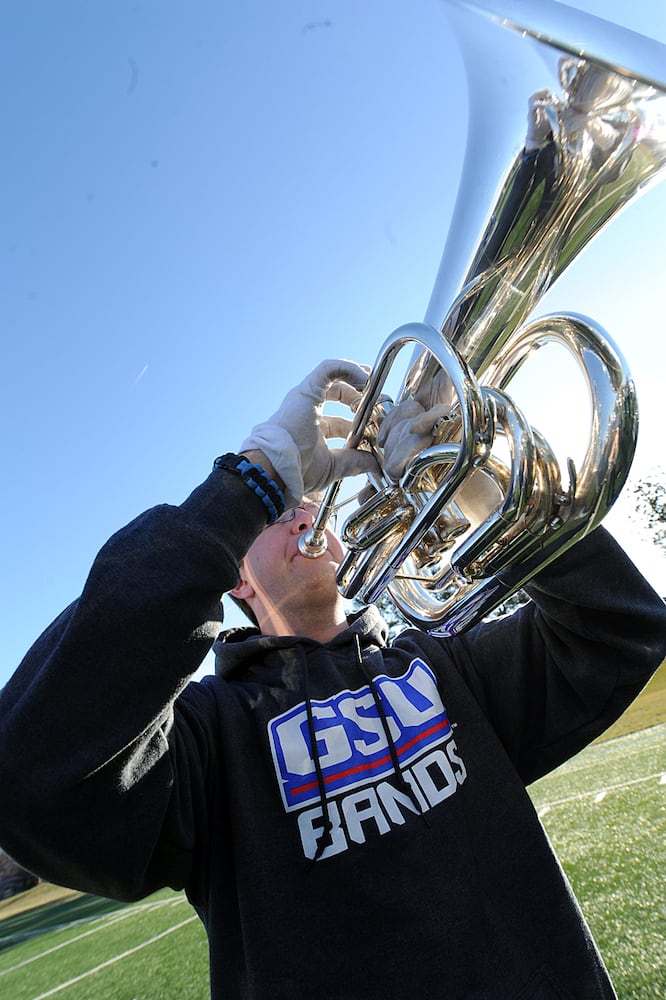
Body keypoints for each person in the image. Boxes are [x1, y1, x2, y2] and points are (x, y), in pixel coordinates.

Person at [0, 359, 664, 1000]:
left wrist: (476, 483)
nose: (300, 513)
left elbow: (619, 628)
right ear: (235, 573)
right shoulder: (204, 739)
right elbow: (33, 776)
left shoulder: (443, 664)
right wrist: (250, 484)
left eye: (309, 502)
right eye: (279, 510)